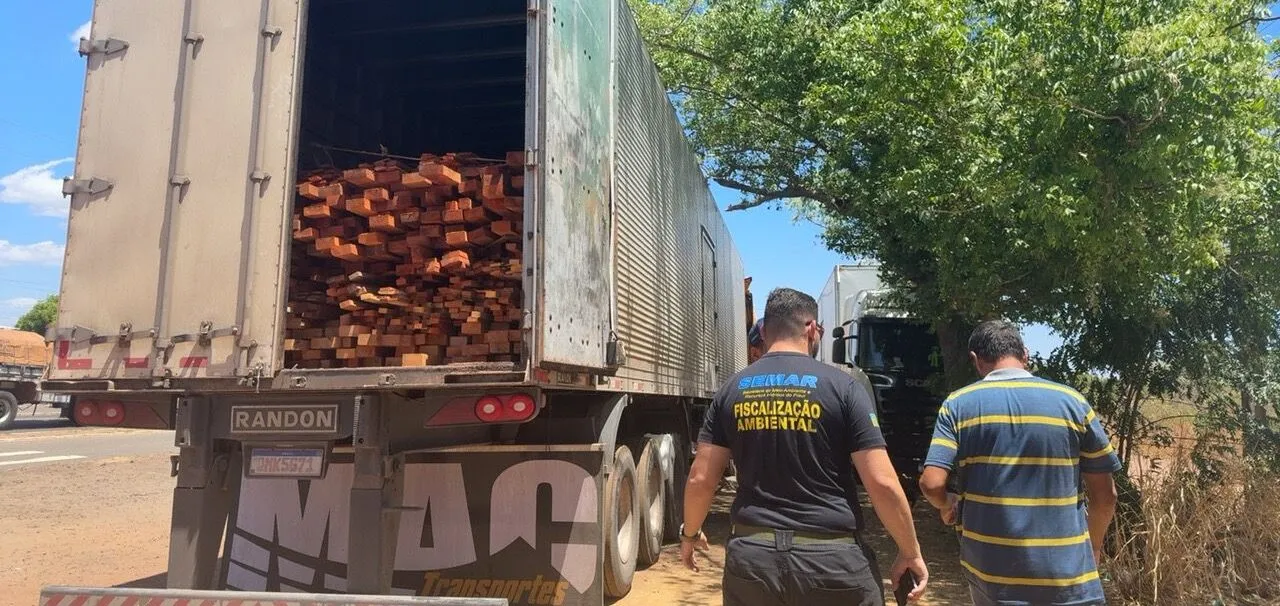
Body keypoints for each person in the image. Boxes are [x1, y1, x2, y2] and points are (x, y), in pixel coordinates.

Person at [681, 287, 928, 605]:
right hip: (832, 564)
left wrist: (690, 534)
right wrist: (910, 551)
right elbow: (881, 482)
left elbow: (701, 479)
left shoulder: (732, 390)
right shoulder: (844, 388)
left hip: (753, 563)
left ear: (766, 330)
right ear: (811, 328)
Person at [919, 320, 1120, 606]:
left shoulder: (958, 406)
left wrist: (946, 503)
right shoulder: (1072, 402)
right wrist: (1093, 549)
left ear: (975, 360)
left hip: (993, 579)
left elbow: (931, 483)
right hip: (1068, 578)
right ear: (1025, 354)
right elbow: (1106, 497)